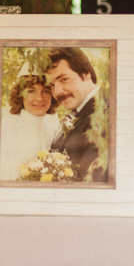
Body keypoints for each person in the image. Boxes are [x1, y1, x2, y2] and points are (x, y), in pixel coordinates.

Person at [46, 47, 107, 182]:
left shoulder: (104, 116)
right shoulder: (78, 113)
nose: (57, 92)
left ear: (86, 74)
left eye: (64, 79)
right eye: (52, 85)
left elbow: (93, 181)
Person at [0, 68, 59, 181]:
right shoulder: (8, 126)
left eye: (46, 91)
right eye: (31, 91)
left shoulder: (53, 122)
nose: (40, 98)